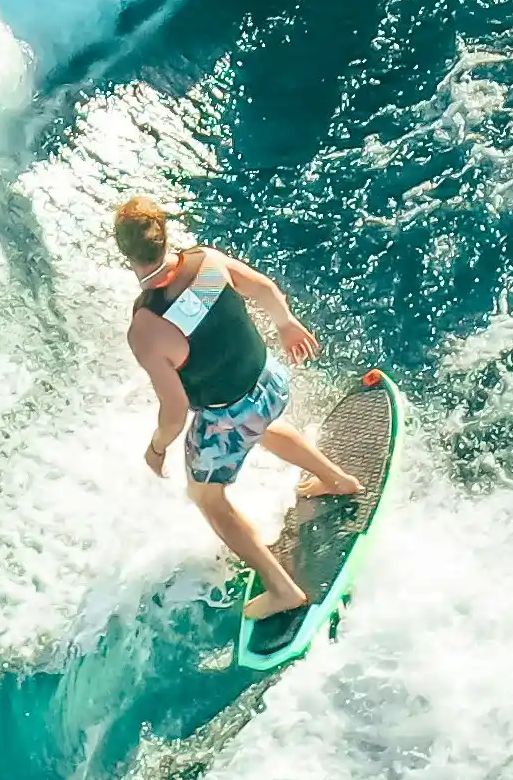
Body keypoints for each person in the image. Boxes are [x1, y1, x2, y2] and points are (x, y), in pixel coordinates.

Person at [116, 193, 363, 646]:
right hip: (269, 382)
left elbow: (173, 412)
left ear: (126, 254)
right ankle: (337, 480)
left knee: (208, 497)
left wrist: (156, 449)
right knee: (260, 426)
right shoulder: (207, 261)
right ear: (164, 235)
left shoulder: (147, 328)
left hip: (227, 415)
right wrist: (286, 324)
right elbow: (266, 290)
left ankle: (282, 589)